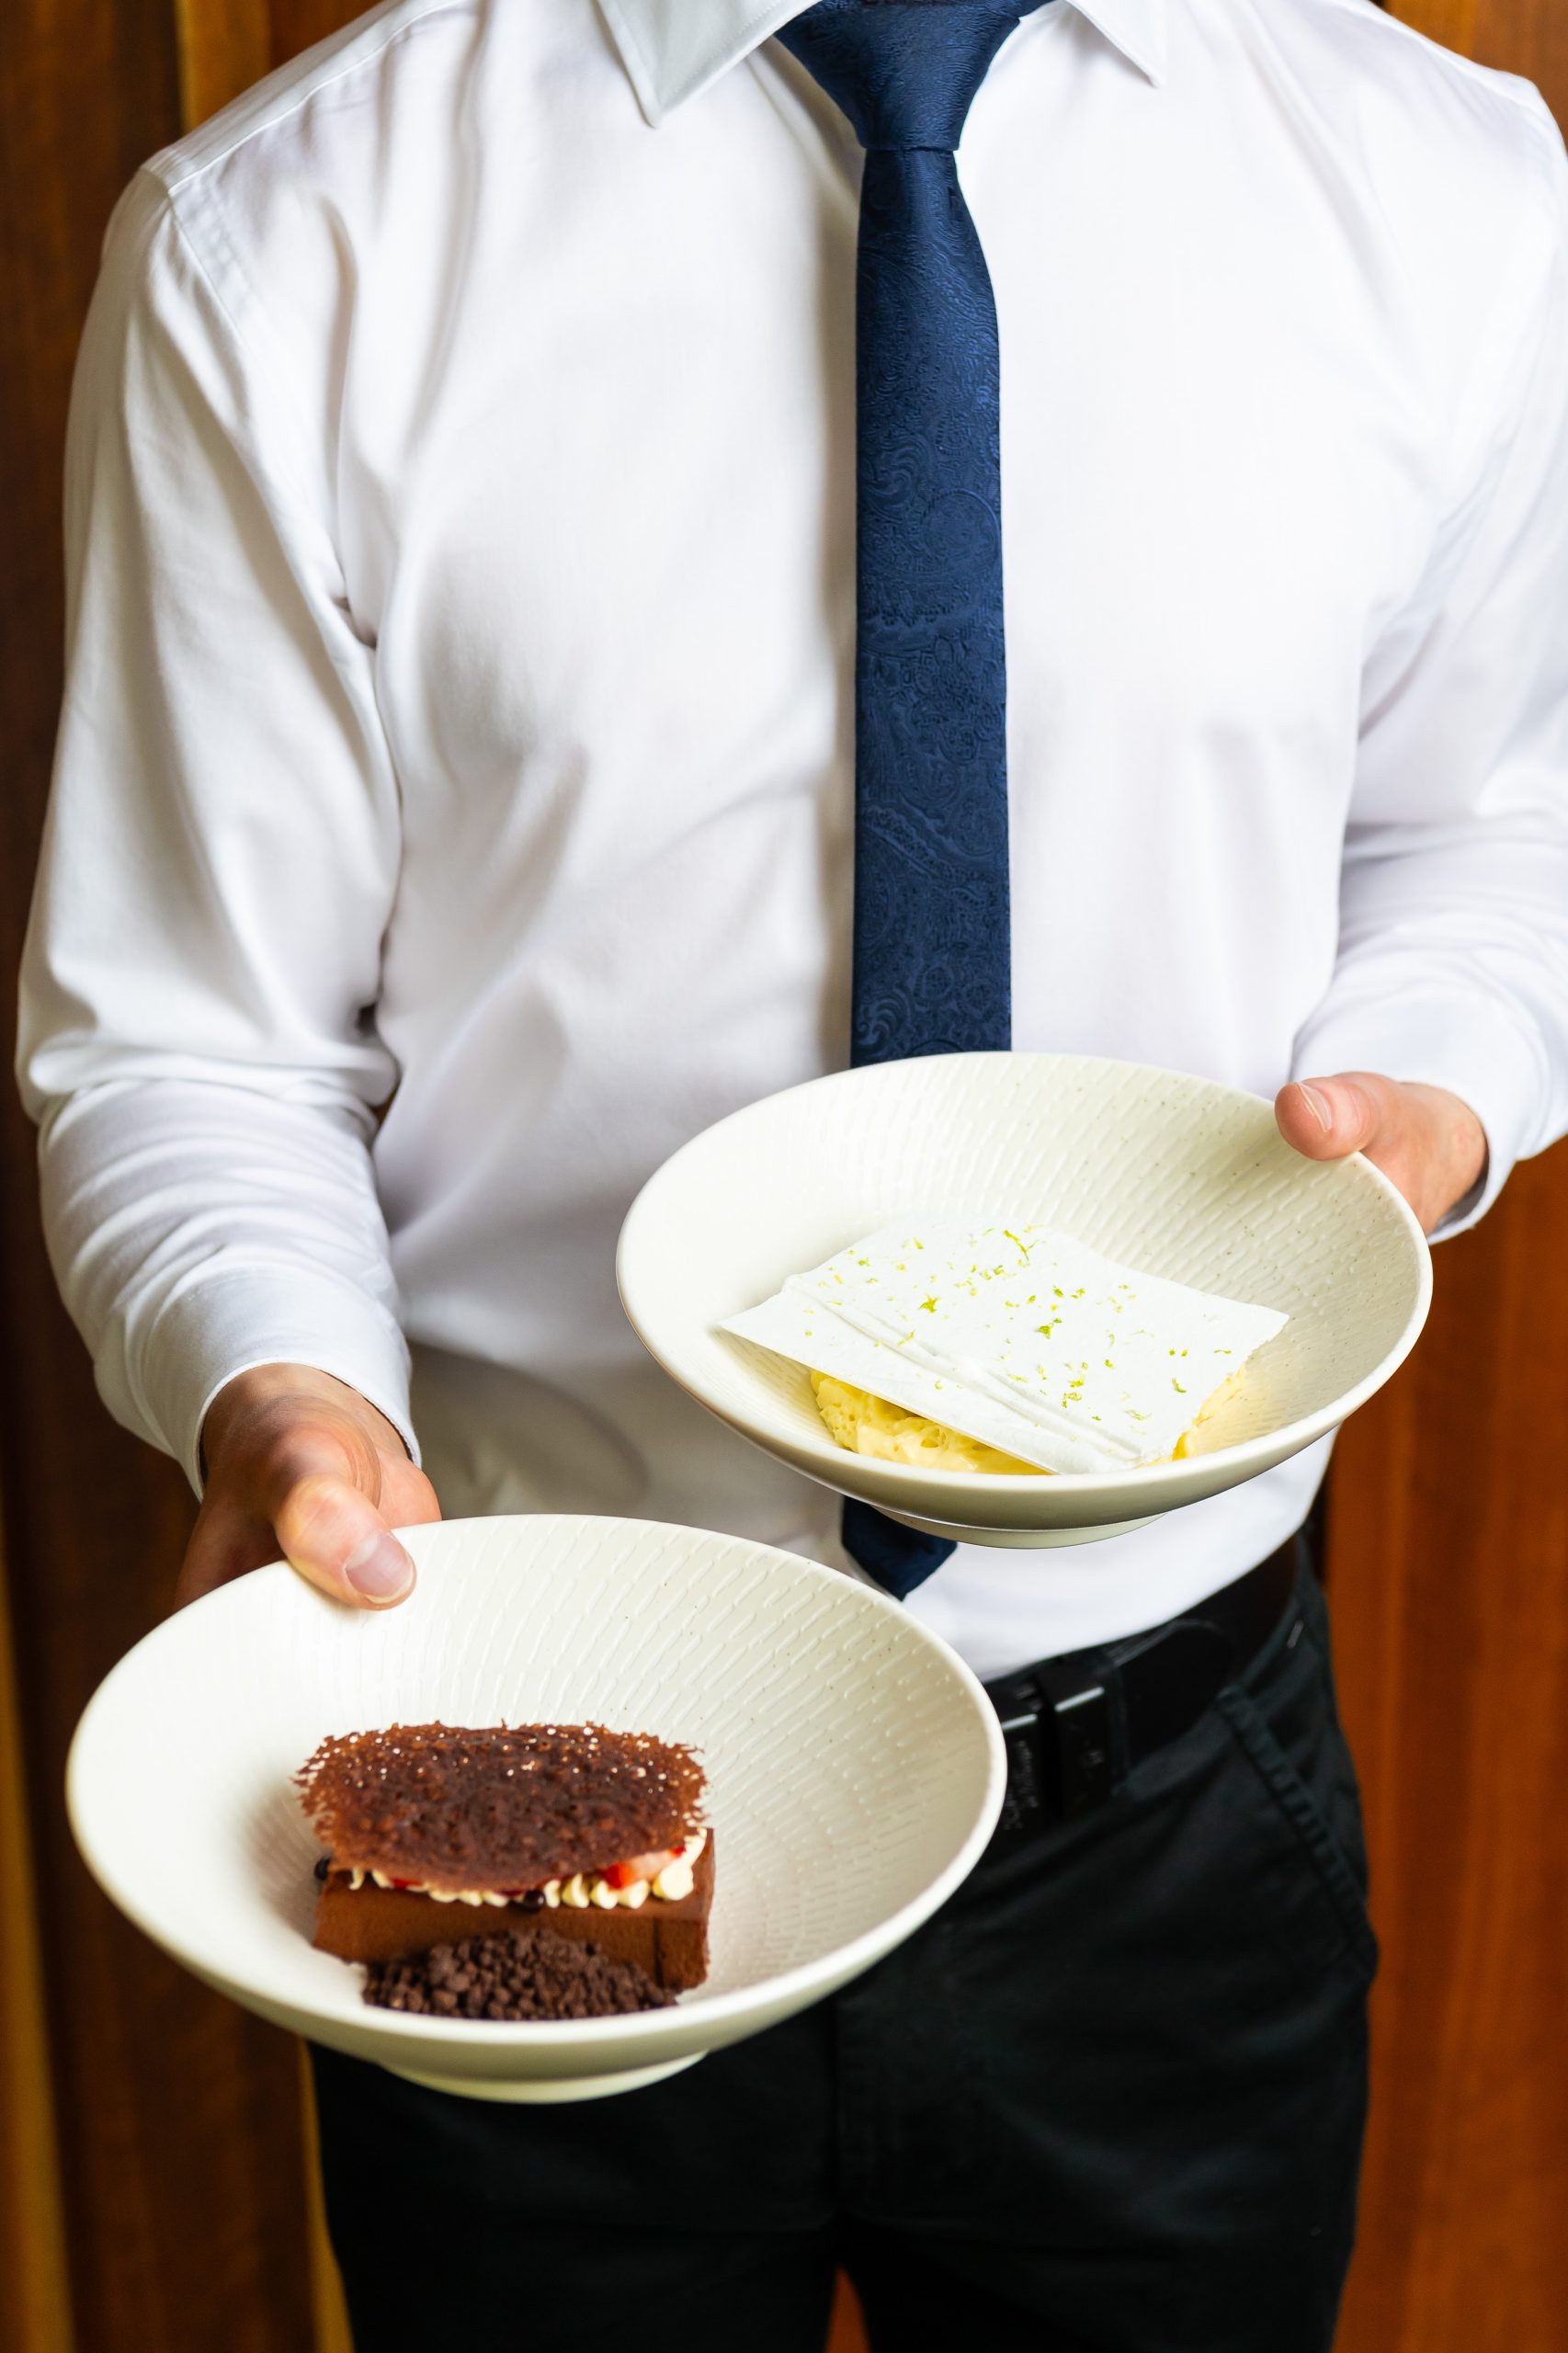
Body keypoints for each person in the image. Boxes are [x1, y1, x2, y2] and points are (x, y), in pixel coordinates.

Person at [19, 0, 1568, 2346]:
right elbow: (194, 1040)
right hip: (520, 1720)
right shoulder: (285, 235)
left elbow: (1495, 836)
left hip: (1162, 1783)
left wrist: (1430, 1093)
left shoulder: (1440, 184)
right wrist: (270, 1387)